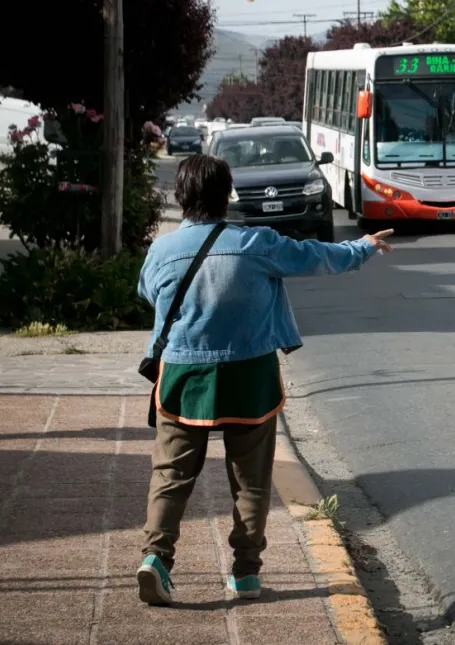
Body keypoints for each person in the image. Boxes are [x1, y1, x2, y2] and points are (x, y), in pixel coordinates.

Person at [135, 154, 393, 606]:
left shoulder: (160, 249)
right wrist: (364, 246)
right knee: (251, 478)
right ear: (226, 195)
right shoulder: (255, 242)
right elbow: (315, 257)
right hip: (249, 373)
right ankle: (246, 573)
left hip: (181, 374)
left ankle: (156, 558)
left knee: (171, 473)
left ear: (181, 196)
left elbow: (147, 294)